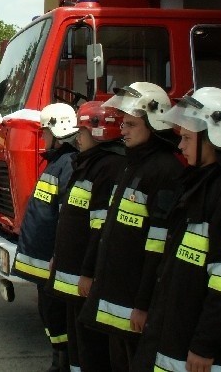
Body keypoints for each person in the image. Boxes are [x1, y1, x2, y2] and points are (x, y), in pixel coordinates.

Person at [131, 88, 221, 372]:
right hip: (182, 348)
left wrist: (206, 344)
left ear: (214, 136)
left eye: (186, 138)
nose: (180, 147)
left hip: (215, 359)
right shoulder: (204, 187)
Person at [78, 82, 183, 372]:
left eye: (131, 124)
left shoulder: (165, 171)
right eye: (123, 123)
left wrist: (143, 304)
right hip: (118, 295)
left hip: (136, 303)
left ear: (154, 122)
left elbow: (158, 247)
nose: (122, 129)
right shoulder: (132, 165)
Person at [46, 102, 126, 371]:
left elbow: (99, 229)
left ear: (100, 132)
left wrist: (89, 272)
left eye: (82, 130)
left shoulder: (108, 167)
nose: (77, 136)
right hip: (72, 276)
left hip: (84, 279)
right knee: (79, 347)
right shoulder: (86, 163)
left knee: (92, 350)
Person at [11, 103, 79, 372]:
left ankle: (62, 360)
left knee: (56, 313)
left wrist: (58, 255)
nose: (43, 137)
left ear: (57, 129)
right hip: (45, 262)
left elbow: (67, 217)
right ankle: (58, 357)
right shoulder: (57, 162)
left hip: (54, 261)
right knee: (49, 312)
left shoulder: (69, 163)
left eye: (44, 132)